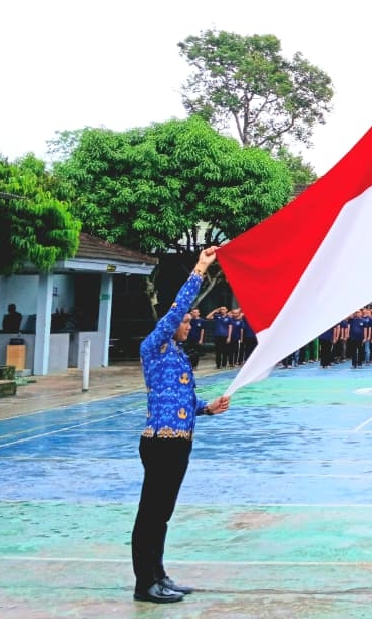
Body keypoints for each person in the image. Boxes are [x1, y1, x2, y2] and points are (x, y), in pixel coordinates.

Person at [131, 246, 231, 604]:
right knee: (151, 515)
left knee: (163, 514)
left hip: (180, 441)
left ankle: (159, 575)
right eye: (186, 322)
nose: (189, 326)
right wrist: (201, 267)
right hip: (161, 443)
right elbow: (176, 311)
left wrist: (208, 408)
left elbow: (184, 401)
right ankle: (145, 584)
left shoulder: (176, 356)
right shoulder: (154, 347)